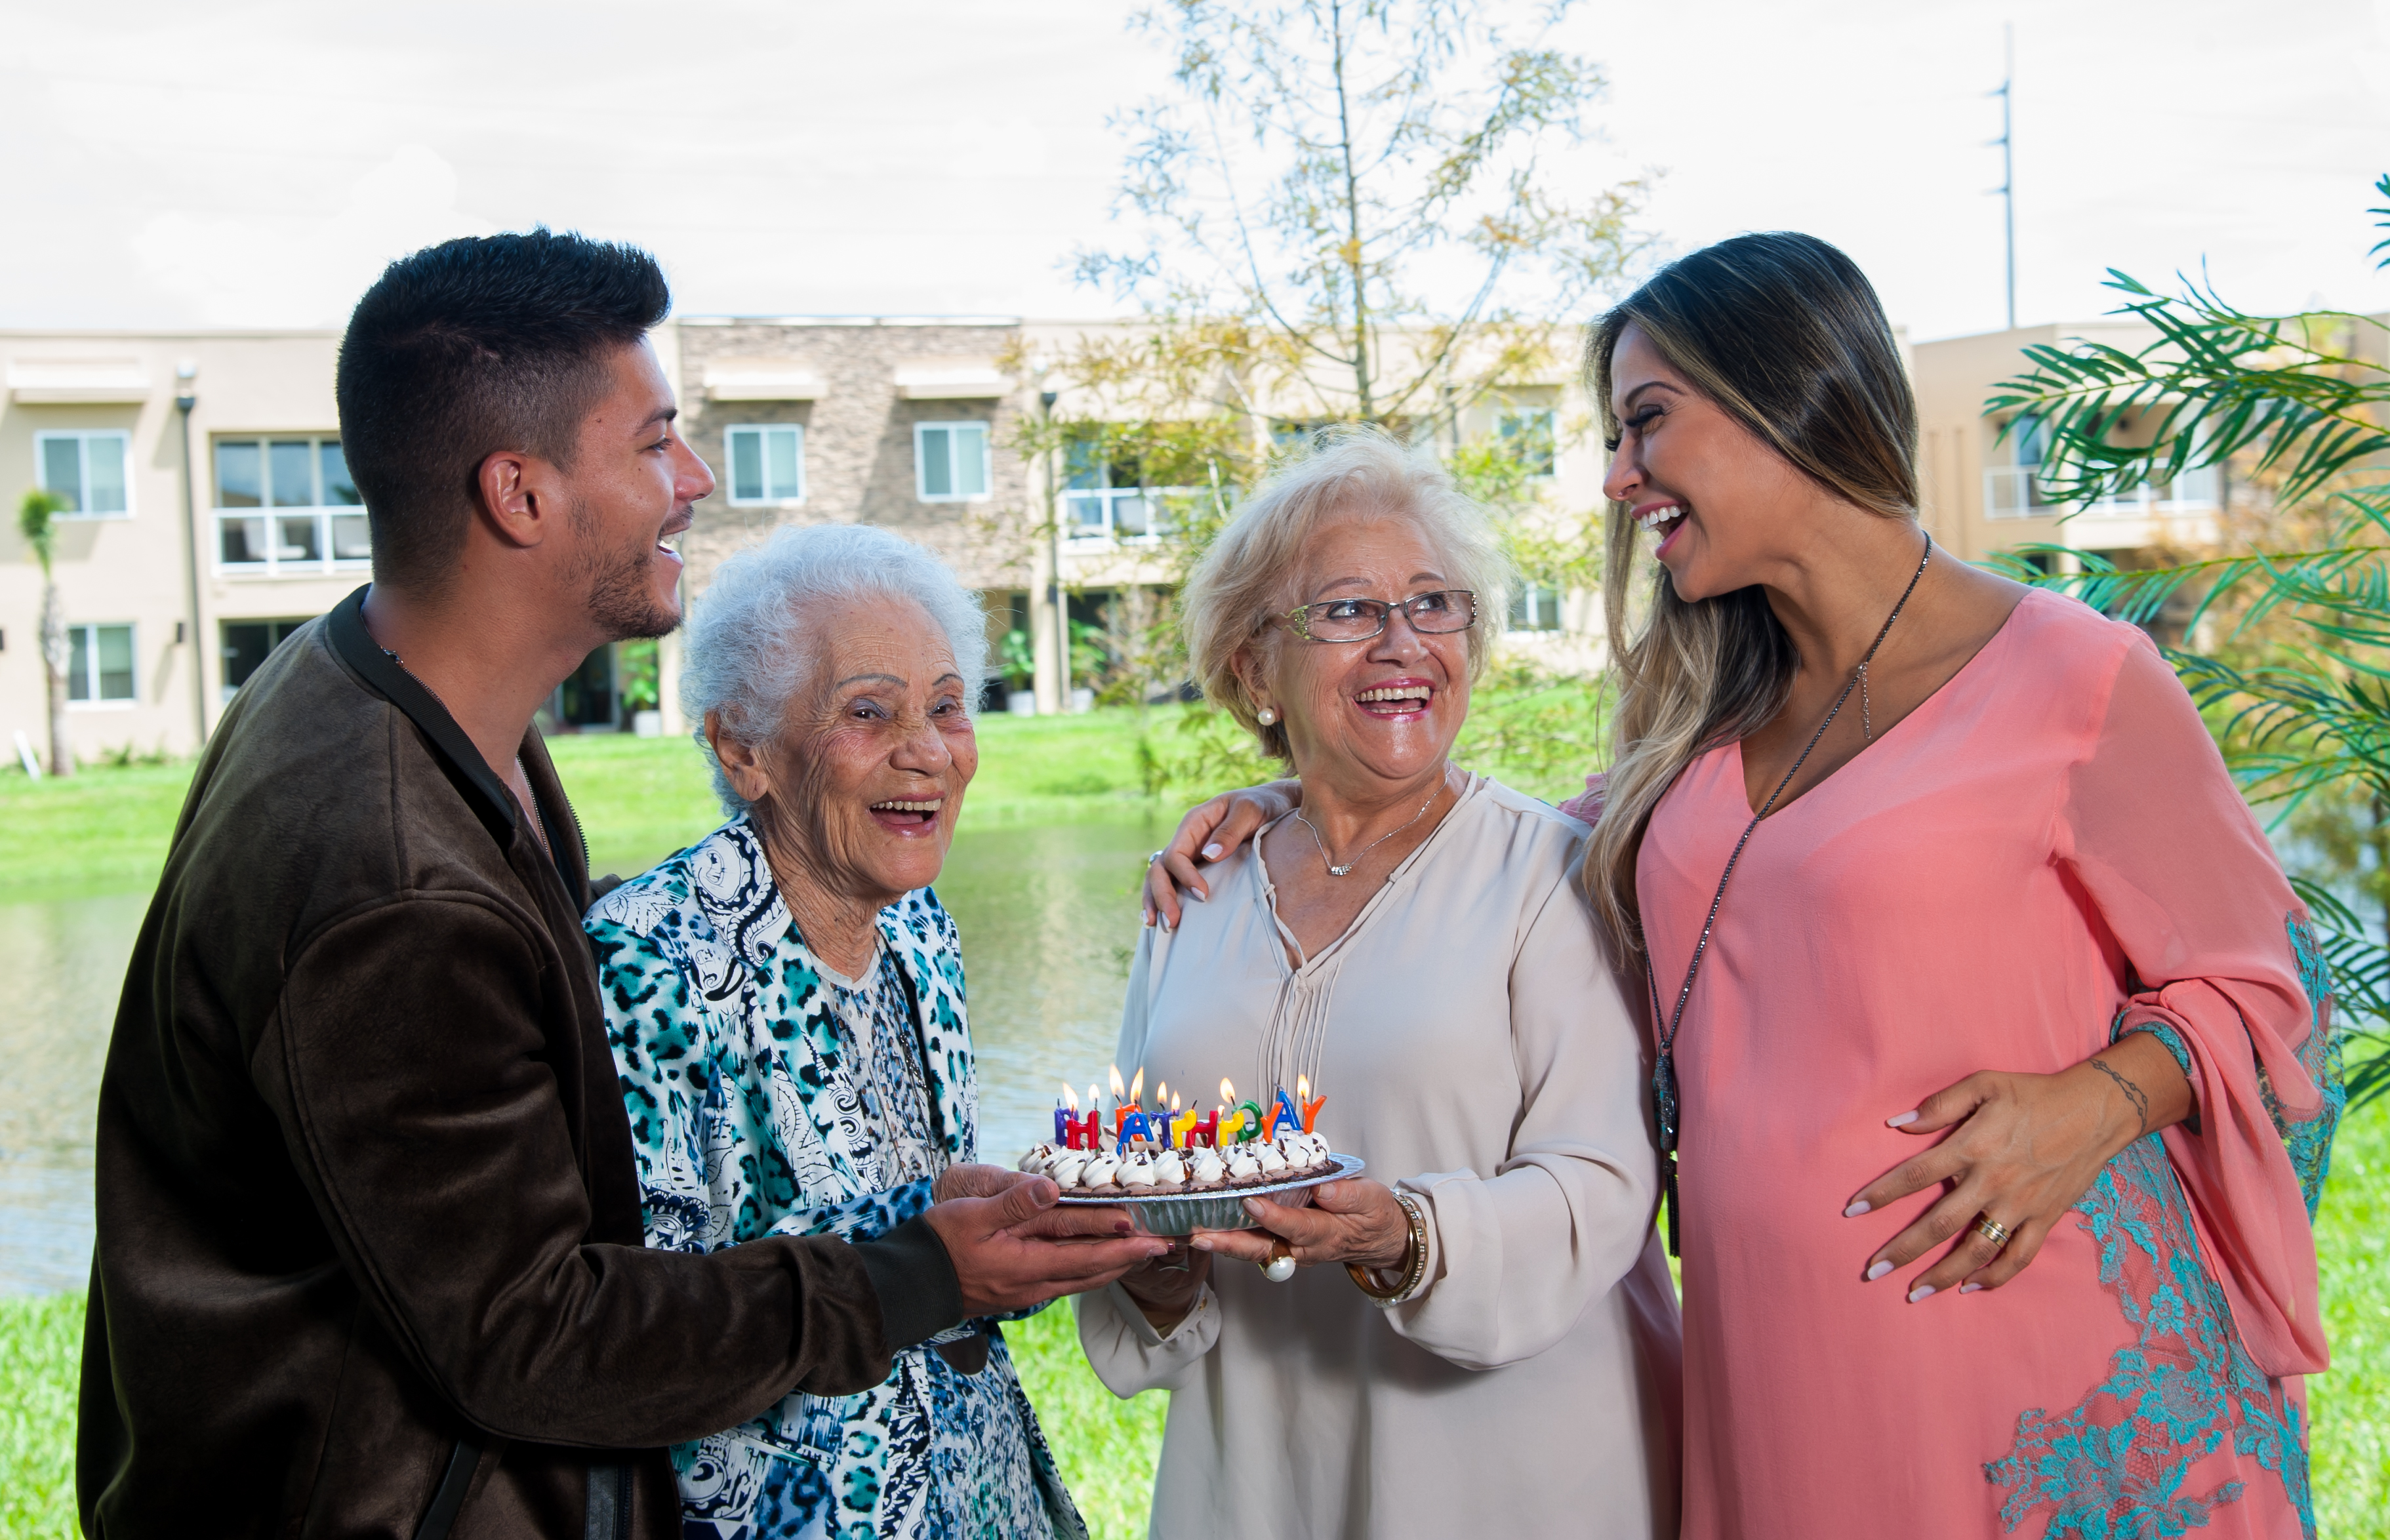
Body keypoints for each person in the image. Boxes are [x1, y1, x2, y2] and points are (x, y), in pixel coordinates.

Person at [1148, 235, 2339, 1539]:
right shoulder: (1695, 719)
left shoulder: (2078, 677)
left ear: (1786, 398)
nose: (1617, 476)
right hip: (1770, 1376)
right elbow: (1503, 850)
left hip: (2018, 1354)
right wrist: (1294, 804)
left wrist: (2092, 1103)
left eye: (1647, 422)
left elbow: (2270, 983)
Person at [78, 231, 1162, 1539]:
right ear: (520, 494)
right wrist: (917, 1271)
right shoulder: (392, 878)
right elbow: (528, 1338)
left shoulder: (388, 700)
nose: (695, 480)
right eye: (654, 442)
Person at [1079, 427, 1680, 1539]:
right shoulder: (1197, 892)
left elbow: (1603, 1186)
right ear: (1256, 666)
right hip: (1254, 1479)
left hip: (1508, 1477)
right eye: (1349, 610)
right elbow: (1143, 1185)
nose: (1404, 642)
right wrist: (1151, 1268)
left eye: (1435, 605)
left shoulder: (1550, 878)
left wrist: (1401, 1233)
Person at [586, 523, 1089, 1538]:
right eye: (870, 712)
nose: (929, 752)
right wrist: (930, 1247)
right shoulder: (647, 959)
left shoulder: (919, 926)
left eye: (948, 706)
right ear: (743, 749)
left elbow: (933, 1235)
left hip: (976, 1492)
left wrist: (1038, 1239)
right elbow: (639, 1324)